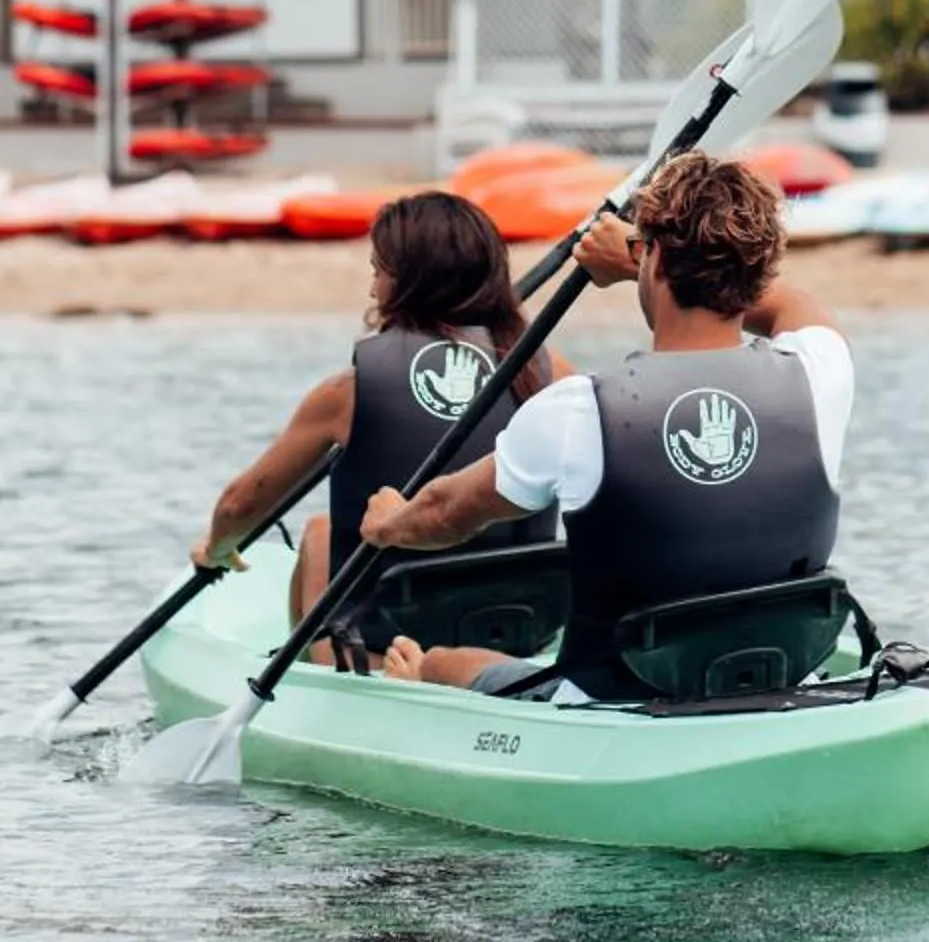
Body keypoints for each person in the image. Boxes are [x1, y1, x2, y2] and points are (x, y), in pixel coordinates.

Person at [363, 152, 852, 704]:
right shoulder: (819, 375)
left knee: (447, 662)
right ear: (757, 266)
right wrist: (644, 256)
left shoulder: (581, 409)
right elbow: (796, 302)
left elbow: (448, 513)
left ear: (655, 256)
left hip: (611, 703)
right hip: (781, 681)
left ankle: (412, 687)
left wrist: (390, 524)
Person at [191, 190, 570, 664]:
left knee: (319, 533)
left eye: (378, 272)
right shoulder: (553, 376)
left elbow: (240, 503)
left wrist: (218, 547)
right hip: (516, 640)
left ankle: (309, 684)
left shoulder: (346, 395)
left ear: (410, 282)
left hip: (376, 653)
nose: (373, 290)